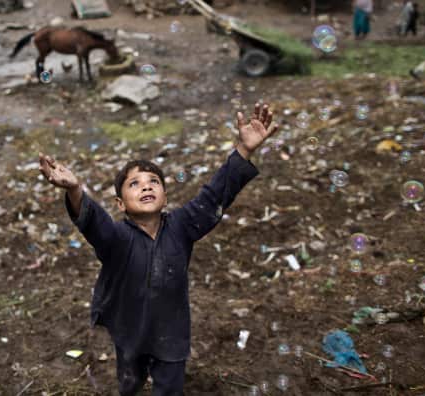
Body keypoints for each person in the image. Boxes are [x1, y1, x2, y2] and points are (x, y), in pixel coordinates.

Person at [38, 102, 279, 395]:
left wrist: (244, 150)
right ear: (120, 204)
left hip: (172, 332)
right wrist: (75, 190)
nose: (146, 186)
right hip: (129, 331)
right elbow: (93, 222)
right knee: (129, 383)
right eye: (134, 184)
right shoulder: (115, 237)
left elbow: (214, 195)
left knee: (169, 389)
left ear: (164, 197)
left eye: (154, 181)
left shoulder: (182, 226)